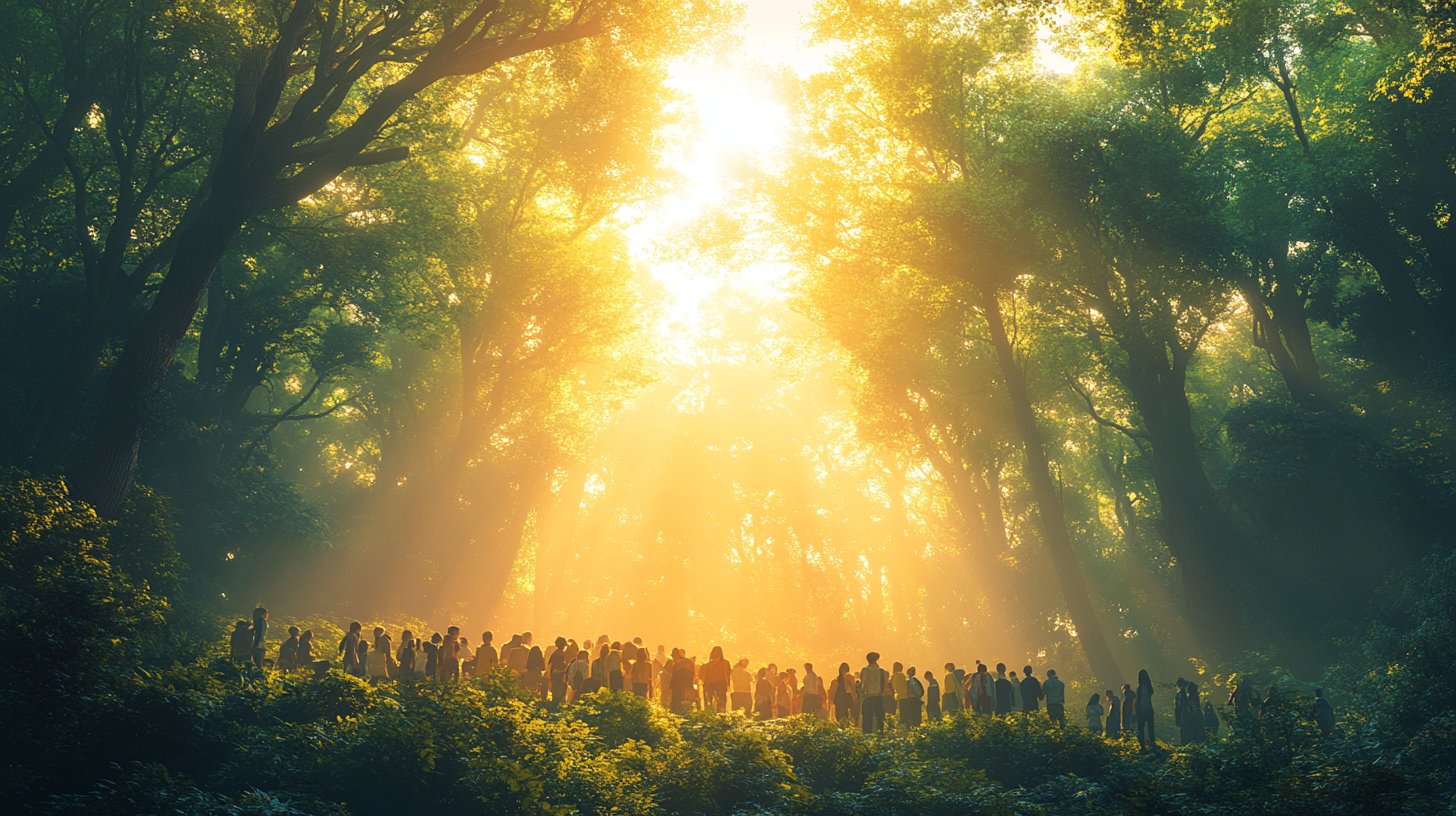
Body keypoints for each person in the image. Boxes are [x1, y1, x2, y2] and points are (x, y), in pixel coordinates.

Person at [859, 652, 889, 734]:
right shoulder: (882, 671)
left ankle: (867, 734)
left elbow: (863, 684)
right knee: (880, 717)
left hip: (868, 697)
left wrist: (861, 693)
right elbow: (885, 684)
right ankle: (880, 733)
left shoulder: (865, 670)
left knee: (867, 718)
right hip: (879, 697)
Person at [702, 646, 731, 712]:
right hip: (721, 684)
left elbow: (706, 677)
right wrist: (728, 685)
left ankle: (711, 716)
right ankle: (721, 715)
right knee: (721, 701)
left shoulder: (708, 664)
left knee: (710, 702)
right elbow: (727, 674)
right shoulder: (725, 663)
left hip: (710, 685)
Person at [1135, 669, 1156, 751]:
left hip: (1143, 710)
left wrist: (1139, 710)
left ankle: (1142, 745)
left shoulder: (1141, 688)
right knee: (1150, 727)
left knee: (1141, 728)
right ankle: (1152, 743)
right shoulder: (1149, 687)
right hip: (1149, 709)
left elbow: (1142, 701)